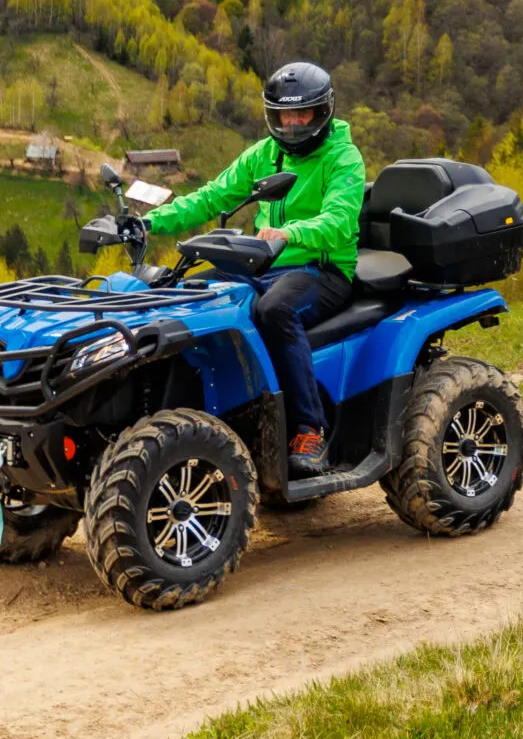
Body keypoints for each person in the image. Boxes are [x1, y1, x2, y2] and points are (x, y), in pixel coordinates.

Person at [148, 61, 364, 475]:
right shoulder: (263, 154)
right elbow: (211, 197)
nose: (293, 124)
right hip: (262, 264)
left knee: (275, 311)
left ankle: (309, 429)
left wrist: (290, 233)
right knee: (186, 297)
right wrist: (148, 223)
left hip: (321, 269)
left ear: (323, 111)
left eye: (303, 114)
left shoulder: (343, 157)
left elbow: (339, 221)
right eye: (285, 115)